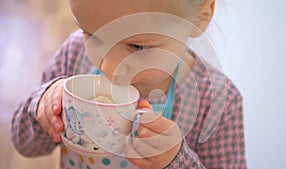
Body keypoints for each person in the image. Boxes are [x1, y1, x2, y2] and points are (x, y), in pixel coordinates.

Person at [11, 0, 247, 168]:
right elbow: (25, 145)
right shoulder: (74, 54)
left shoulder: (216, 101)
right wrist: (43, 106)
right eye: (93, 36)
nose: (109, 68)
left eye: (138, 47)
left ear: (201, 17)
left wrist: (177, 161)